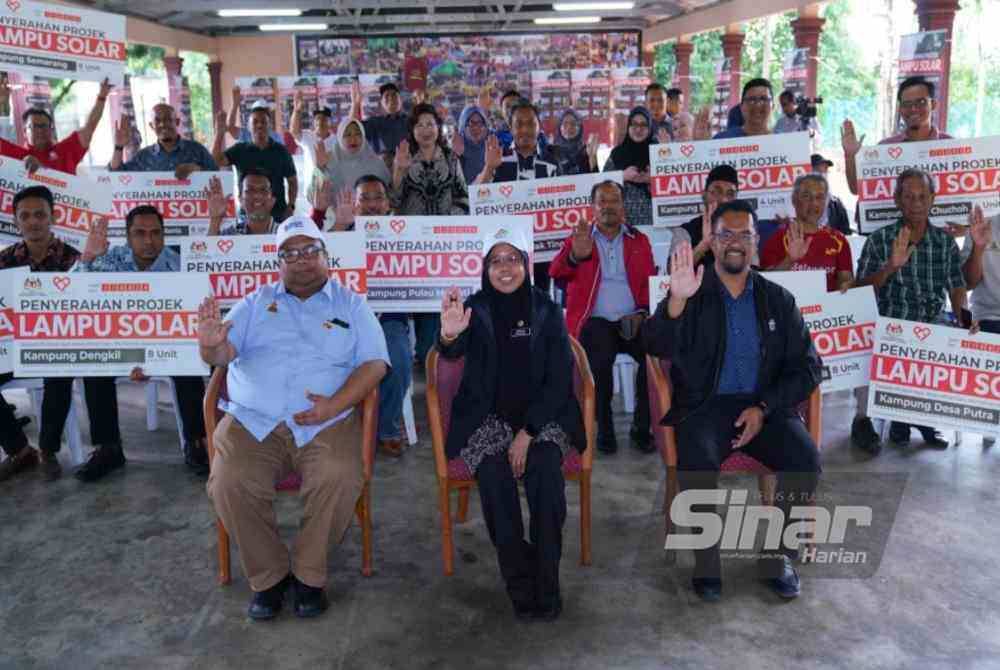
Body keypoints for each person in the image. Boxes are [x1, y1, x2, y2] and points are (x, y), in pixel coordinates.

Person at [202, 216, 389, 621]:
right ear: (278, 261)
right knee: (229, 481)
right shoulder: (254, 303)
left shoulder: (351, 305)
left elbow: (375, 364)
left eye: (310, 251)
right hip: (254, 421)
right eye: (291, 253)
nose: (301, 260)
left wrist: (335, 405)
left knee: (339, 475)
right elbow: (221, 356)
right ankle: (268, 577)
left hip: (325, 420)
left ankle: (308, 575)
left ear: (327, 257)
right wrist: (211, 346)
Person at [644, 199, 822, 602]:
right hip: (705, 407)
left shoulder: (778, 299)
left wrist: (764, 408)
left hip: (763, 406)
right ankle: (707, 566)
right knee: (697, 462)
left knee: (805, 460)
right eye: (726, 234)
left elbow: (808, 368)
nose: (735, 242)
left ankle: (778, 558)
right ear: (714, 240)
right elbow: (653, 343)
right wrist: (675, 300)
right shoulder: (690, 289)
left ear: (757, 243)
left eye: (744, 234)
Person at [436, 226, 585, 621]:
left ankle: (547, 583)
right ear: (485, 268)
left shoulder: (547, 310)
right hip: (487, 419)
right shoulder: (474, 307)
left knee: (546, 480)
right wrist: (449, 336)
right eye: (496, 261)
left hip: (542, 418)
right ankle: (520, 582)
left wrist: (528, 433)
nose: (505, 268)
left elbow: (559, 380)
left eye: (513, 259)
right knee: (495, 480)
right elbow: (452, 351)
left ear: (525, 263)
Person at [0, 186, 123, 483]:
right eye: (25, 216)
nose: (33, 222)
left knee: (62, 365)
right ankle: (19, 449)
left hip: (62, 344)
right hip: (13, 348)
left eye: (40, 214)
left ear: (53, 217)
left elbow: (95, 305)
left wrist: (90, 262)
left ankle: (55, 449)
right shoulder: (4, 262)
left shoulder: (75, 259)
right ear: (16, 222)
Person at [73, 206, 209, 474]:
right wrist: (88, 257)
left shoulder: (182, 265)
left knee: (189, 365)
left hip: (168, 350)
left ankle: (196, 442)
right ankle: (108, 448)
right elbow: (70, 297)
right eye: (140, 233)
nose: (149, 240)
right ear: (127, 236)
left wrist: (153, 358)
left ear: (164, 235)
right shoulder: (109, 260)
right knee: (93, 364)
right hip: (120, 348)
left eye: (156, 233)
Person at [852, 169, 968, 453]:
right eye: (909, 197)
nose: (916, 203)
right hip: (889, 322)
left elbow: (956, 287)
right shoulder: (879, 240)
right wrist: (890, 267)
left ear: (932, 200)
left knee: (952, 342)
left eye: (922, 197)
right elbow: (859, 292)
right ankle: (863, 421)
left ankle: (916, 419)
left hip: (933, 323)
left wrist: (966, 322)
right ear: (897, 201)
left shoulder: (944, 243)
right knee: (871, 342)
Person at [550, 181, 656, 454]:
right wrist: (575, 255)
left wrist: (643, 312)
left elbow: (650, 283)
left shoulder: (639, 240)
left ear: (623, 206)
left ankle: (641, 427)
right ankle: (604, 428)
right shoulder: (580, 237)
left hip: (633, 319)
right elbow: (557, 275)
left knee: (655, 353)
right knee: (599, 357)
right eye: (602, 201)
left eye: (614, 200)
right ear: (593, 207)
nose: (608, 206)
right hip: (594, 320)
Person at [477, 100, 561, 292]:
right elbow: (479, 201)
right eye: (519, 124)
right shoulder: (498, 159)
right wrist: (489, 168)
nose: (525, 129)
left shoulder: (551, 163)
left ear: (539, 126)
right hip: (504, 250)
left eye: (531, 123)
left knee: (539, 304)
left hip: (541, 251)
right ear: (511, 128)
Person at [842, 76, 953, 197]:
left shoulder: (950, 146)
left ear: (933, 104)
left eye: (921, 102)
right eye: (907, 104)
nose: (914, 109)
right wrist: (850, 156)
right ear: (900, 109)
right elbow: (856, 189)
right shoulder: (885, 147)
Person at [761, 174, 854, 292]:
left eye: (820, 197)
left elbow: (846, 280)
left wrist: (847, 286)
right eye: (806, 196)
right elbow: (765, 285)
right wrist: (790, 260)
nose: (814, 203)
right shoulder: (777, 238)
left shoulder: (839, 240)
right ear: (794, 200)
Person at [0, 77, 111, 175]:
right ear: (25, 131)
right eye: (35, 126)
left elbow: (90, 127)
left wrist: (102, 96)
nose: (40, 130)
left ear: (51, 129)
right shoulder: (14, 154)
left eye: (44, 126)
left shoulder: (64, 151)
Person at [212, 101, 297, 222]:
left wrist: (291, 206)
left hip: (277, 215)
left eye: (263, 122)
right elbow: (216, 161)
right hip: (246, 216)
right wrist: (219, 133)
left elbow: (292, 181)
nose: (259, 125)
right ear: (248, 126)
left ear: (270, 125)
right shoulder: (239, 149)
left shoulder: (281, 151)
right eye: (255, 122)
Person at [961, 204, 1000, 446]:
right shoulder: (983, 224)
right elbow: (967, 283)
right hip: (990, 316)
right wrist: (978, 247)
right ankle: (990, 413)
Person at [390, 103, 469, 216]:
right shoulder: (403, 157)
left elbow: (463, 197)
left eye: (430, 124)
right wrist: (399, 171)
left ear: (438, 127)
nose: (426, 130)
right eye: (419, 125)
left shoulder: (450, 157)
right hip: (413, 229)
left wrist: (450, 218)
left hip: (445, 229)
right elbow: (393, 202)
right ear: (412, 130)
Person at [109, 103, 217, 178]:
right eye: (157, 120)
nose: (163, 124)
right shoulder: (143, 157)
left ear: (177, 122)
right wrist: (118, 147)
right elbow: (117, 174)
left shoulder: (197, 150)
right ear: (152, 126)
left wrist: (196, 169)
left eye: (168, 119)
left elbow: (218, 176)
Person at [669, 165, 740, 270]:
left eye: (730, 194)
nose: (723, 199)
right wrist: (704, 244)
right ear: (704, 195)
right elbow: (673, 270)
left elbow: (753, 271)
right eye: (717, 192)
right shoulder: (684, 231)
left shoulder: (743, 229)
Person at [602, 107, 654, 228]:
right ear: (628, 127)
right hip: (623, 221)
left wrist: (652, 179)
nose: (638, 129)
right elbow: (602, 184)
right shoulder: (617, 153)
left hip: (654, 222)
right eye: (634, 124)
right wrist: (622, 176)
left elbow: (672, 185)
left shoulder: (659, 152)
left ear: (650, 128)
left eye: (643, 125)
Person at [316, 118, 391, 201]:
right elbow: (313, 197)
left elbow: (390, 195)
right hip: (336, 213)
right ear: (340, 137)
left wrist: (399, 170)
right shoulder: (328, 161)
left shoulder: (376, 163)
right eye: (347, 135)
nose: (353, 139)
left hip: (370, 213)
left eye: (358, 134)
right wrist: (319, 169)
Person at [289, 92, 337, 206]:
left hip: (333, 192)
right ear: (313, 122)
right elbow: (294, 131)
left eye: (324, 119)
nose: (320, 121)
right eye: (317, 119)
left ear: (330, 122)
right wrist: (297, 111)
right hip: (311, 192)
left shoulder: (337, 141)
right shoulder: (308, 136)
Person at [208, 169, 282, 236]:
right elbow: (210, 250)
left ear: (273, 200)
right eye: (250, 190)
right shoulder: (230, 235)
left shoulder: (286, 234)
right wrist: (215, 219)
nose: (257, 195)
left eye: (263, 190)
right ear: (240, 200)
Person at [353, 81, 407, 157]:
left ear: (401, 100)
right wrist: (355, 103)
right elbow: (353, 128)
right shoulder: (374, 122)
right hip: (380, 167)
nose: (391, 98)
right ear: (381, 102)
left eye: (394, 95)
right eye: (387, 96)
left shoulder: (410, 121)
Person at [810, 154, 852, 235]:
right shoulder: (797, 204)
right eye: (817, 171)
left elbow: (846, 232)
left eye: (825, 170)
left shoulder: (836, 204)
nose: (822, 174)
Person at [551, 109, 598, 176]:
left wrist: (593, 157)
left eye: (573, 124)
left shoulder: (586, 151)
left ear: (580, 128)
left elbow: (595, 179)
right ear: (560, 127)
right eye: (565, 123)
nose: (569, 127)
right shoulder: (553, 152)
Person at [452, 105, 489, 184]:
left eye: (480, 123)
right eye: (471, 123)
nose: (476, 128)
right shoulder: (455, 149)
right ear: (463, 126)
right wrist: (456, 156)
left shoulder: (492, 147)